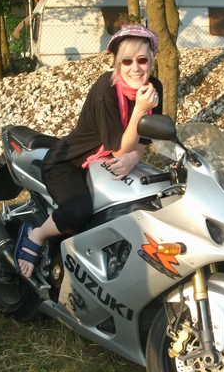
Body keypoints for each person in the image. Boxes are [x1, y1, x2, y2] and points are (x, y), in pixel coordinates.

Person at [13, 24, 164, 279]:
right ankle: (36, 234)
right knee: (79, 213)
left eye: (142, 60)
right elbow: (120, 148)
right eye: (127, 61)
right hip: (70, 162)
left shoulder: (153, 87)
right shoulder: (106, 90)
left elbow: (143, 138)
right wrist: (139, 110)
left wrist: (135, 156)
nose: (135, 68)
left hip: (103, 163)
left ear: (152, 59)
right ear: (117, 63)